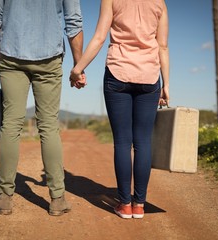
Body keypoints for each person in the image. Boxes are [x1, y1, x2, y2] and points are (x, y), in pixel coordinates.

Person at [0, 0, 85, 216]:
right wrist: (78, 65)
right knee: (48, 126)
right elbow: (73, 22)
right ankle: (57, 199)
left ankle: (4, 198)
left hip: (11, 54)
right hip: (49, 56)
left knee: (10, 124)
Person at [70, 0, 169, 219]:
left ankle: (125, 205)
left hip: (118, 73)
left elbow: (99, 37)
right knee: (143, 142)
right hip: (150, 76)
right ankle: (139, 205)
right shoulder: (159, 3)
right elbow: (162, 46)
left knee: (123, 142)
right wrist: (167, 84)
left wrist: (78, 69)